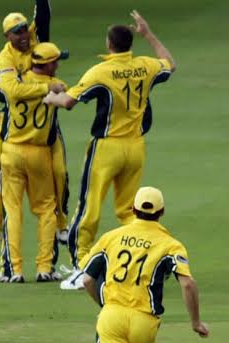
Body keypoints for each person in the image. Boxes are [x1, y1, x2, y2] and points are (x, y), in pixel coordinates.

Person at [43, 10, 175, 290]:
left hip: (107, 148)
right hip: (136, 148)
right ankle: (153, 258)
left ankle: (82, 267)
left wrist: (48, 97)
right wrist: (148, 33)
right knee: (131, 211)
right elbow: (169, 64)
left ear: (109, 45)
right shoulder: (145, 66)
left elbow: (68, 101)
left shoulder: (101, 72)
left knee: (88, 208)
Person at [80, 186, 209, 343]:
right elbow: (188, 284)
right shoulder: (171, 244)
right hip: (145, 323)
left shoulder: (111, 237)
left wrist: (104, 303)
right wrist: (196, 322)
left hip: (112, 316)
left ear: (132, 209)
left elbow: (87, 280)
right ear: (162, 212)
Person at [0, 0, 70, 249]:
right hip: (12, 122)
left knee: (60, 173)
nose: (23, 35)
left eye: (25, 29)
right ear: (6, 36)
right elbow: (11, 90)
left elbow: (43, 16)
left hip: (46, 122)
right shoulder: (5, 57)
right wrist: (46, 87)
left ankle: (62, 224)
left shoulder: (37, 39)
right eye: (17, 32)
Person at [0, 42, 69, 283]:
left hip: (11, 151)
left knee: (12, 211)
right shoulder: (56, 86)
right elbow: (66, 98)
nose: (58, 64)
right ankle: (44, 267)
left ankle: (15, 270)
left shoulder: (14, 83)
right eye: (56, 61)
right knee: (46, 210)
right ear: (48, 64)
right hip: (39, 153)